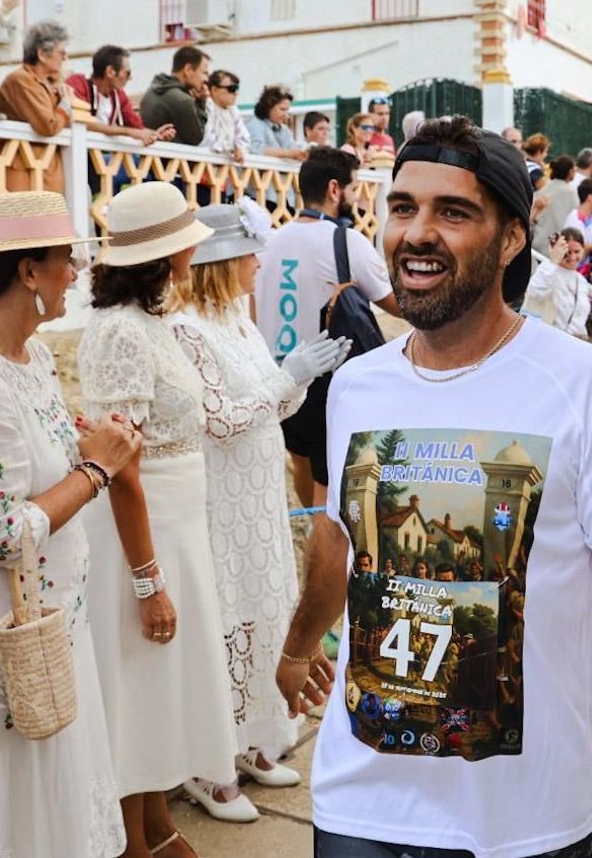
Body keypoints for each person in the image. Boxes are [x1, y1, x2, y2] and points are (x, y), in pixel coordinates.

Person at [276, 115, 592, 858]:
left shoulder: (583, 384)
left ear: (512, 237)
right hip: (359, 807)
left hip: (522, 826)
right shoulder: (356, 384)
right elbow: (337, 532)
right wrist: (298, 647)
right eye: (402, 207)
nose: (418, 232)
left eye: (453, 212)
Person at [0, 191, 140, 857]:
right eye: (65, 259)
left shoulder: (30, 358)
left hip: (53, 617)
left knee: (61, 801)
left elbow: (36, 464)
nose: (76, 272)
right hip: (1, 631)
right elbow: (4, 534)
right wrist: (96, 471)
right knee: (12, 814)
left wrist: (91, 443)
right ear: (28, 272)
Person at [169, 201, 352, 822]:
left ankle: (252, 742)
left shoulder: (238, 320)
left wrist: (297, 377)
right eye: (251, 256)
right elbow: (217, 420)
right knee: (225, 623)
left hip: (258, 492)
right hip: (219, 500)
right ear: (222, 262)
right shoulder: (186, 328)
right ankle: (206, 764)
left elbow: (265, 407)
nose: (258, 267)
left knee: (264, 609)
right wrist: (286, 378)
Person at [78, 182, 239, 858]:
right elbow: (121, 466)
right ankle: (129, 843)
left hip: (176, 518)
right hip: (138, 532)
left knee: (157, 691)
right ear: (162, 254)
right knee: (136, 689)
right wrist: (147, 579)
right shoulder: (118, 333)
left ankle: (153, 825)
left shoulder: (149, 324)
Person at [254, 148, 399, 513]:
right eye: (354, 187)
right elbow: (395, 303)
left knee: (300, 462)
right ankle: (324, 550)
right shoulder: (346, 242)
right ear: (335, 189)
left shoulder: (267, 243)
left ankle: (311, 529)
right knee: (327, 478)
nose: (358, 197)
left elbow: (254, 312)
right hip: (323, 379)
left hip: (277, 375)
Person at [0, 20, 74, 193]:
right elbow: (48, 125)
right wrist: (66, 105)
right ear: (42, 55)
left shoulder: (48, 85)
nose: (64, 58)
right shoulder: (21, 80)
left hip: (43, 173)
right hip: (22, 172)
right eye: (61, 52)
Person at [69, 45, 175, 146]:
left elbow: (138, 129)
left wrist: (158, 134)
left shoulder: (118, 96)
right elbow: (82, 123)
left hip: (101, 156)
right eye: (127, 73)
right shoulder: (78, 83)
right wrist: (128, 132)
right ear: (110, 71)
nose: (130, 78)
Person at [525, 228, 591, 337]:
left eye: (577, 252)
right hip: (548, 336)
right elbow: (534, 292)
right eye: (568, 252)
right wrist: (554, 261)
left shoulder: (582, 281)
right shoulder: (548, 270)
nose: (573, 257)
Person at [141, 45, 211, 147]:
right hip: (170, 161)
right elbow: (197, 139)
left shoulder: (153, 90)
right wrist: (201, 101)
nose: (206, 79)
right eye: (204, 73)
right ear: (188, 70)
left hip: (149, 159)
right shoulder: (182, 100)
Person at [202, 69, 251, 171]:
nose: (236, 93)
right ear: (214, 90)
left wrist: (239, 149)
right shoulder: (206, 107)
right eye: (232, 89)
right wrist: (232, 148)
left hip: (221, 175)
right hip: (200, 171)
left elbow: (245, 140)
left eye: (237, 88)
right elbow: (207, 139)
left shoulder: (233, 110)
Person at [531, 156, 579, 254]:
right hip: (555, 247)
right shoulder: (571, 193)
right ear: (570, 172)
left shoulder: (544, 188)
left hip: (537, 241)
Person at [248, 85, 309, 160]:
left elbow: (292, 148)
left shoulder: (285, 130)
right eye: (282, 109)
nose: (286, 115)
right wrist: (287, 153)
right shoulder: (255, 125)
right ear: (268, 107)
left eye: (287, 110)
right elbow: (255, 150)